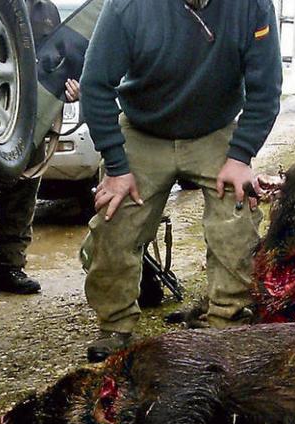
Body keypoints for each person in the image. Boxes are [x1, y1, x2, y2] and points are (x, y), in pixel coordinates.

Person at [79, 0, 282, 360]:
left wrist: (240, 156)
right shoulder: (128, 6)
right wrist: (116, 164)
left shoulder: (252, 6)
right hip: (142, 129)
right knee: (115, 218)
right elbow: (95, 85)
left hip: (214, 130)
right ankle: (115, 324)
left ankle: (227, 321)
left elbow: (265, 90)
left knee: (236, 216)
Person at [0, 0, 71, 304]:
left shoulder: (47, 11)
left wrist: (69, 87)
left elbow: (57, 62)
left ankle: (10, 267)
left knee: (22, 198)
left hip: (31, 119)